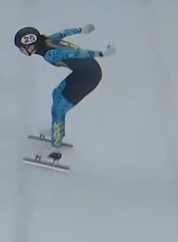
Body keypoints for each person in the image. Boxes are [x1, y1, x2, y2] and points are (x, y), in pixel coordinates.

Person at [14, 25, 113, 159]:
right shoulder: (48, 40)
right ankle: (57, 130)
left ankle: (55, 148)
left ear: (31, 45)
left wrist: (101, 54)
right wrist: (82, 30)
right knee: (57, 94)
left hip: (89, 76)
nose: (21, 51)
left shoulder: (50, 55)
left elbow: (76, 53)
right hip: (82, 72)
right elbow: (64, 33)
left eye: (22, 48)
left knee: (58, 109)